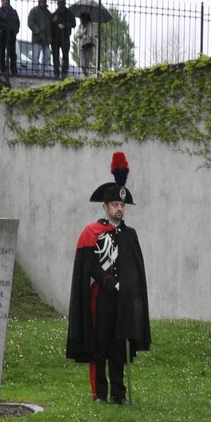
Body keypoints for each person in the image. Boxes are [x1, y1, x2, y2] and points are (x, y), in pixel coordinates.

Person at [66, 152, 151, 404]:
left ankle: (119, 393)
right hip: (102, 297)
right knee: (100, 345)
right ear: (105, 207)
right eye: (115, 205)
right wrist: (109, 281)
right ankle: (100, 393)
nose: (120, 209)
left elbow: (135, 267)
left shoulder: (129, 234)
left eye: (122, 205)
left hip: (123, 300)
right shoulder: (93, 232)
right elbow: (89, 265)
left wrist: (131, 286)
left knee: (118, 345)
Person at [0, 0, 20, 75]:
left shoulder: (13, 12)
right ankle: (3, 69)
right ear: (1, 1)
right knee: (1, 52)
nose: (5, 1)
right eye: (3, 0)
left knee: (12, 53)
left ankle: (13, 70)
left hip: (11, 34)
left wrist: (15, 31)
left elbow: (17, 23)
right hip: (1, 34)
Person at [49, 0, 76, 79]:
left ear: (65, 3)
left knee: (65, 55)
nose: (60, 4)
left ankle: (64, 72)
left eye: (62, 2)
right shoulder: (54, 14)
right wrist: (53, 21)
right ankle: (56, 72)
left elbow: (73, 24)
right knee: (55, 55)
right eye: (59, 2)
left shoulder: (70, 13)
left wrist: (64, 26)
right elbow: (50, 26)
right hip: (55, 37)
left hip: (65, 36)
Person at [27, 0, 51, 71]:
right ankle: (35, 72)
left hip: (46, 39)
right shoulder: (34, 10)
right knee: (35, 57)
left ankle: (45, 72)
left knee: (47, 56)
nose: (42, 0)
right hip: (37, 38)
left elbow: (50, 26)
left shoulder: (48, 13)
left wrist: (49, 37)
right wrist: (38, 31)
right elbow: (30, 23)